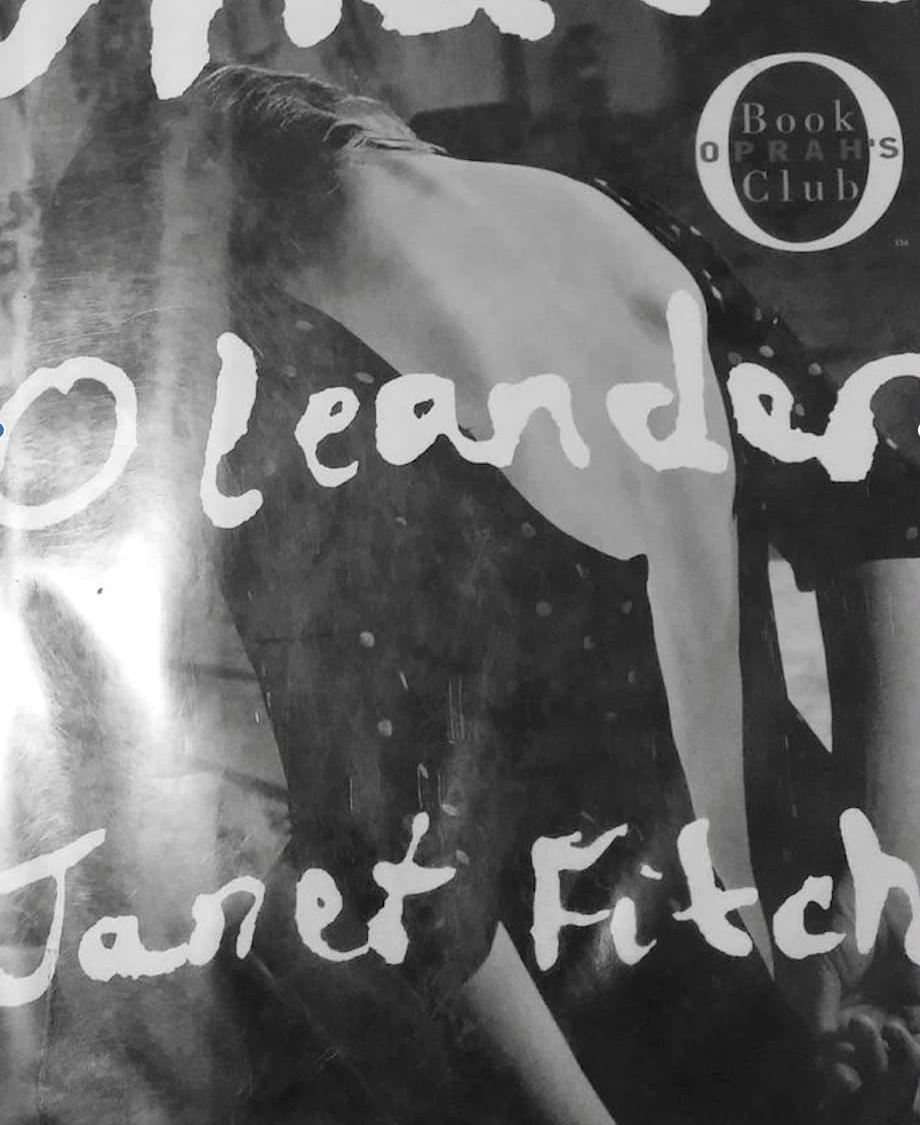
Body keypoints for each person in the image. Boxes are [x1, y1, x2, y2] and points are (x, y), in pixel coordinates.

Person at [1, 61, 911, 1122]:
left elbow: (404, 863)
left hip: (605, 1027)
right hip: (813, 913)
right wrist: (886, 896)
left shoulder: (286, 379)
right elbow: (881, 515)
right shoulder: (615, 218)